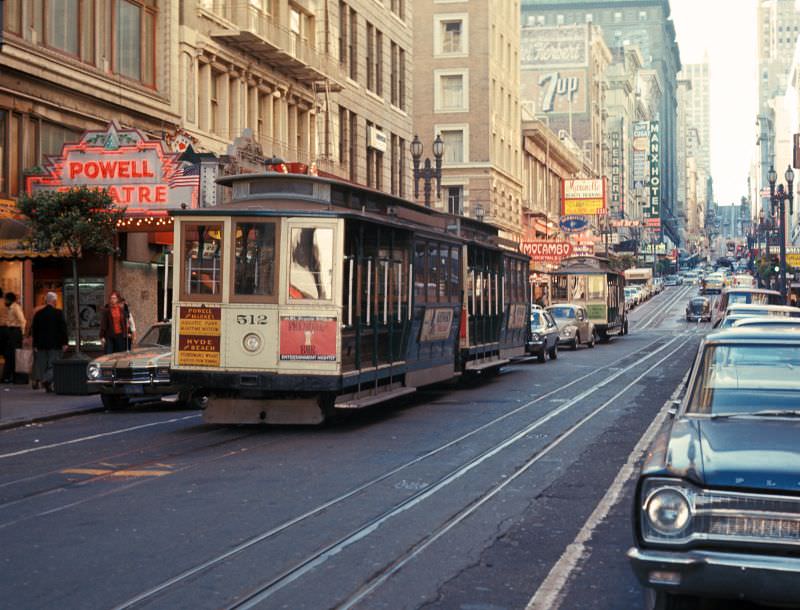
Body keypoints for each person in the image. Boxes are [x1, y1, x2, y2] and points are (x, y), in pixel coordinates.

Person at [30, 292, 68, 392]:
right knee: (53, 364)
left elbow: (35, 330)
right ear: (54, 301)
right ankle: (47, 380)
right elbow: (63, 329)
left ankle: (46, 383)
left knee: (42, 364)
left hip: (41, 344)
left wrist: (35, 344)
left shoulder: (38, 313)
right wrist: (65, 342)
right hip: (55, 344)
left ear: (46, 300)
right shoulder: (58, 313)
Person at [2, 292, 26, 383]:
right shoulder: (9, 308)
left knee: (13, 355)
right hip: (10, 332)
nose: (4, 301)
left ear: (9, 300)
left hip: (15, 332)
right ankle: (9, 376)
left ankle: (13, 377)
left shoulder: (16, 308)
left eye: (6, 299)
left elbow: (22, 321)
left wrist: (22, 334)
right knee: (10, 355)